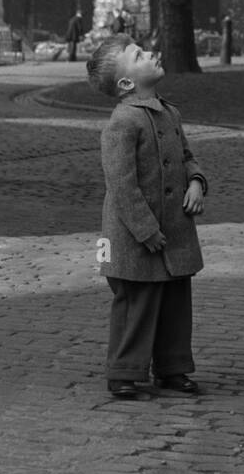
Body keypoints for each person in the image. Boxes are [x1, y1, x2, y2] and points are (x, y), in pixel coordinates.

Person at [87, 34, 208, 400]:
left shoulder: (170, 113)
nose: (151, 52)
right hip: (134, 239)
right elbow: (121, 184)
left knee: (175, 303)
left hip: (174, 233)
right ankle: (124, 371)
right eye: (139, 55)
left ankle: (172, 368)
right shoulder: (122, 122)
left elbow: (187, 156)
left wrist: (197, 183)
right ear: (126, 83)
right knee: (136, 305)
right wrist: (144, 230)